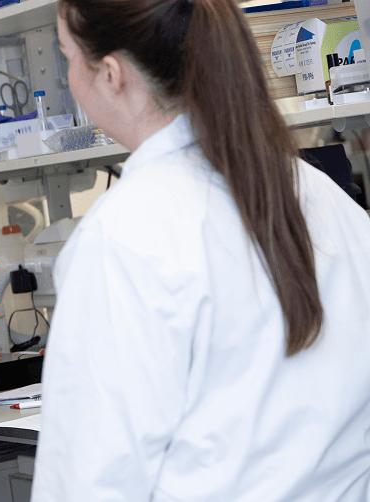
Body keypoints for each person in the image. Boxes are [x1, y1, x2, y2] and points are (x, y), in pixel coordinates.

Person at [32, 0, 370, 500]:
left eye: (68, 57)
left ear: (111, 74)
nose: (71, 79)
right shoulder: (326, 200)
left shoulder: (122, 238)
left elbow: (89, 482)